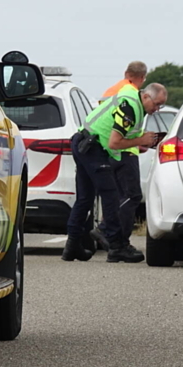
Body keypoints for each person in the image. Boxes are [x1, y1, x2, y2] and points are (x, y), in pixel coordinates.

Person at [62, 82, 168, 263]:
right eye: (156, 104)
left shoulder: (131, 97)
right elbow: (114, 143)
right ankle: (117, 246)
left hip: (83, 142)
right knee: (110, 195)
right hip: (92, 146)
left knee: (85, 198)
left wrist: (138, 140)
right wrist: (140, 140)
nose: (157, 109)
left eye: (161, 105)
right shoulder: (131, 109)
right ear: (145, 96)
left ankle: (72, 246)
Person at [94, 61, 149, 246]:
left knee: (117, 196)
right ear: (143, 77)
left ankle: (106, 231)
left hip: (107, 149)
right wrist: (140, 141)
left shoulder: (112, 90)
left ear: (126, 73)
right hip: (124, 150)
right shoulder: (132, 94)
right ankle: (115, 237)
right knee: (131, 196)